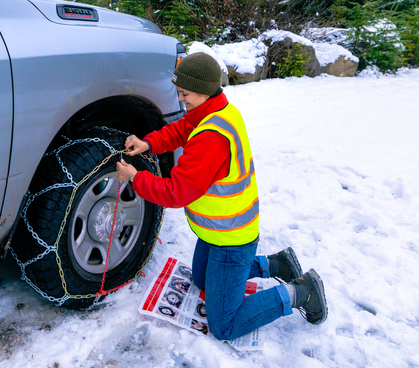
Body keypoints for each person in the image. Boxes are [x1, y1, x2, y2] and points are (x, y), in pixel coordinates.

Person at [116, 52, 327, 340]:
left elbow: (176, 192)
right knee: (201, 280)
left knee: (224, 325)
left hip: (232, 238)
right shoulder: (216, 110)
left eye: (184, 94)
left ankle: (301, 292)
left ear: (203, 91)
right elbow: (181, 129)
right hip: (217, 233)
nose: (181, 100)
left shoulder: (211, 138)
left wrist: (135, 178)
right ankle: (277, 264)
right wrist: (148, 143)